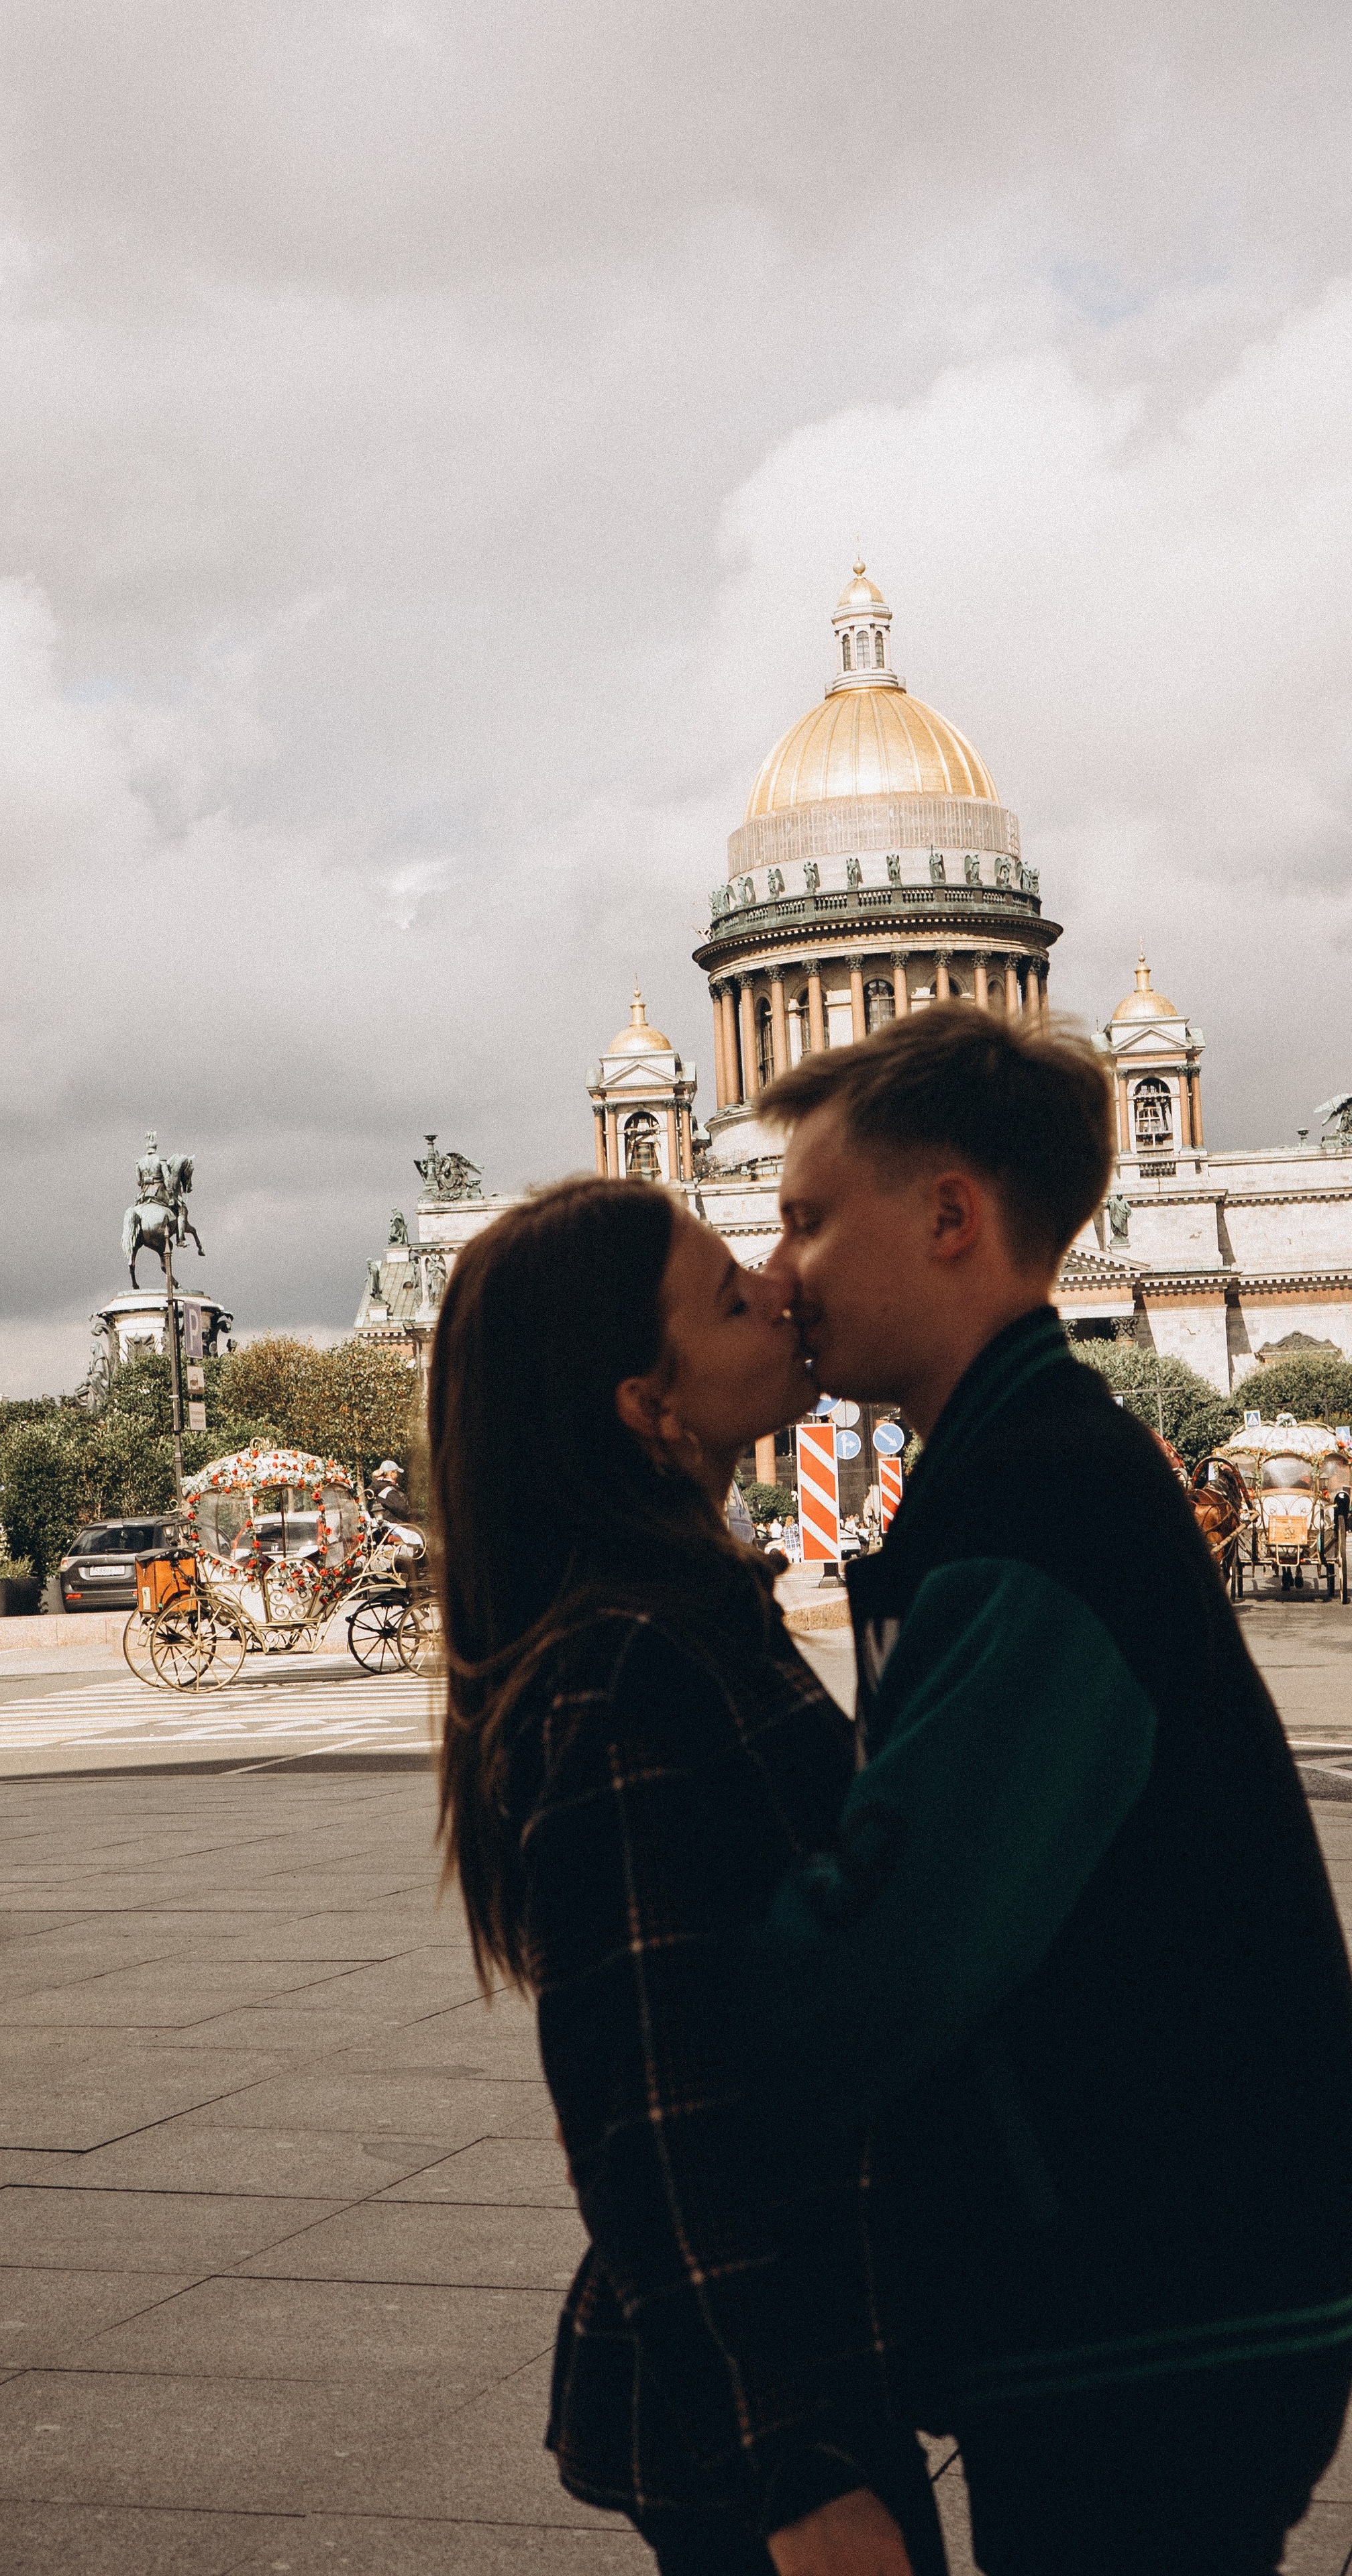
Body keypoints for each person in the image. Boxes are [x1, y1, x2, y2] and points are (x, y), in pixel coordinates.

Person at [747, 1004, 1352, 2575]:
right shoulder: (1023, 1468)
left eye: (808, 1217)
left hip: (1147, 2302)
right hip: (1162, 2273)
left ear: (949, 1213)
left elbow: (890, 1958)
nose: (777, 1268)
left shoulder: (1033, 1507)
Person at [429, 1177, 947, 2576]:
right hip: (766, 2413)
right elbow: (646, 2106)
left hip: (786, 2366)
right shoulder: (631, 1665)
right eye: (729, 1296)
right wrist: (797, 2466)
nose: (781, 1287)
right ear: (647, 1406)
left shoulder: (674, 1619)